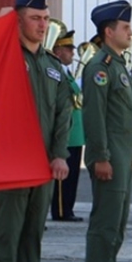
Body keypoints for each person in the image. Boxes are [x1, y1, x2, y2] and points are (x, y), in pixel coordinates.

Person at [0, 0, 71, 262]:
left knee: (33, 232)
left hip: (43, 163)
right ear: (18, 20)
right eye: (35, 18)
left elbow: (63, 111)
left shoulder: (52, 65)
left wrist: (60, 154)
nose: (42, 25)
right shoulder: (4, 58)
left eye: (46, 18)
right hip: (11, 162)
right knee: (8, 232)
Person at [82, 0, 132, 262]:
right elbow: (94, 117)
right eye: (126, 27)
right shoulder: (99, 68)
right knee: (106, 219)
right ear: (109, 31)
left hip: (122, 153)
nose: (131, 32)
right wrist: (101, 156)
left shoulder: (118, 65)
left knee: (117, 220)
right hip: (109, 154)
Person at [50, 29, 85, 222]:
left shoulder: (68, 73)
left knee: (72, 176)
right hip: (67, 133)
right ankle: (61, 210)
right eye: (68, 48)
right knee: (63, 179)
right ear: (57, 51)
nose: (72, 52)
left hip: (76, 132)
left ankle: (67, 208)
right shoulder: (57, 73)